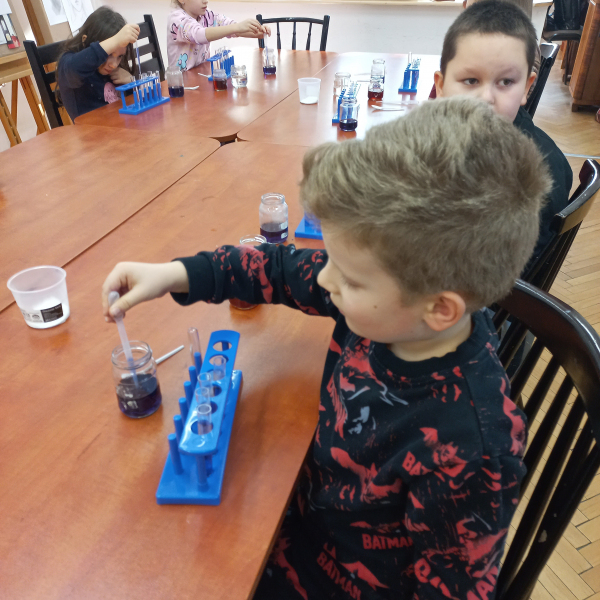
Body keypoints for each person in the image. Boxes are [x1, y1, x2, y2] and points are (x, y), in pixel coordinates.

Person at [102, 97, 549, 599]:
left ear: (440, 308)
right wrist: (176, 274)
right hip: (299, 508)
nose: (326, 280)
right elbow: (278, 268)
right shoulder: (393, 309)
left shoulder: (473, 451)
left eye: (350, 278)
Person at [434, 0, 573, 269]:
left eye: (506, 82)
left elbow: (487, 276)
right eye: (471, 80)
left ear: (526, 89)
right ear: (440, 86)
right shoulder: (458, 143)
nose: (486, 97)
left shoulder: (536, 175)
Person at [57, 6, 139, 120]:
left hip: (121, 126)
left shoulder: (114, 71)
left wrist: (131, 83)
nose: (114, 65)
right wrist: (115, 41)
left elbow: (134, 106)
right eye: (109, 53)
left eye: (120, 56)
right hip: (94, 130)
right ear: (85, 40)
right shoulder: (69, 65)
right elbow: (73, 69)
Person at [167, 0, 270, 71]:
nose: (205, 1)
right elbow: (198, 34)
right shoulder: (177, 19)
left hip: (200, 76)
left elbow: (229, 26)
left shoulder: (207, 15)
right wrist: (237, 27)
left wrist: (257, 32)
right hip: (180, 84)